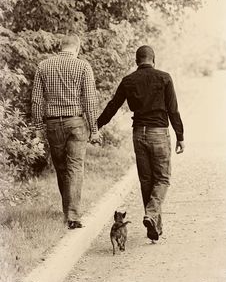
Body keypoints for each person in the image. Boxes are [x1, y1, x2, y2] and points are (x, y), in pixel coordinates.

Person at [97, 45, 184, 241]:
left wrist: (97, 125)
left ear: (137, 61)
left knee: (146, 181)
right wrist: (180, 136)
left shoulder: (129, 80)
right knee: (162, 179)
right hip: (158, 133)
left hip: (139, 134)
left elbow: (113, 106)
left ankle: (154, 229)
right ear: (153, 60)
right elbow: (173, 110)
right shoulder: (165, 77)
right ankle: (151, 215)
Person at [32, 34, 101, 229]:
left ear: (60, 47)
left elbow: (37, 100)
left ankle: (68, 213)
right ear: (77, 49)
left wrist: (38, 129)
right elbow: (89, 99)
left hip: (53, 125)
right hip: (76, 123)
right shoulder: (83, 66)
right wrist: (94, 130)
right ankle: (72, 214)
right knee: (75, 167)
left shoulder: (43, 66)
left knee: (61, 168)